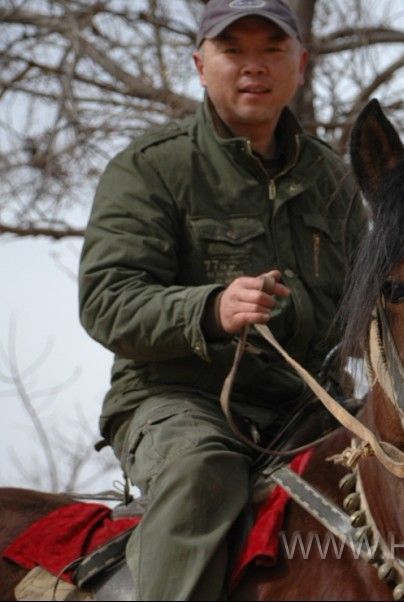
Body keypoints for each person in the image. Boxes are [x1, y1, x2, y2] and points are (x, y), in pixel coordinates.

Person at [78, 0, 366, 599]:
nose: (252, 66)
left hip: (306, 411)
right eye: (233, 49)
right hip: (175, 401)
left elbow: (367, 310)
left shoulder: (333, 180)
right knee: (202, 472)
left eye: (271, 49)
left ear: (301, 64)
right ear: (200, 64)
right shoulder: (152, 168)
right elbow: (106, 301)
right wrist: (210, 309)